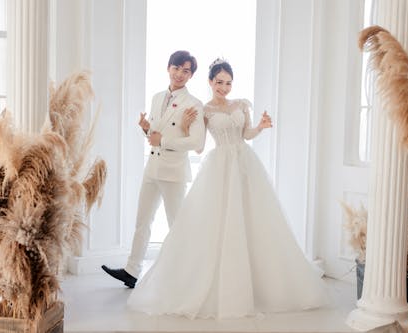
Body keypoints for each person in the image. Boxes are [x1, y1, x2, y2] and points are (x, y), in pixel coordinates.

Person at [127, 58, 327, 318]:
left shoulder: (241, 104)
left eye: (228, 83)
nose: (224, 87)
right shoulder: (204, 110)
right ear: (210, 82)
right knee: (220, 222)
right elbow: (198, 146)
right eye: (219, 82)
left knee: (254, 219)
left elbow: (246, 134)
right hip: (220, 166)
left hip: (244, 163)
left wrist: (261, 127)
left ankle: (261, 281)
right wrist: (186, 126)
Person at [102, 50, 205, 288]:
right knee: (142, 221)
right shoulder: (158, 97)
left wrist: (163, 141)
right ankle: (131, 270)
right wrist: (146, 129)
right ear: (168, 68)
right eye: (176, 68)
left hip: (173, 171)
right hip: (153, 167)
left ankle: (187, 274)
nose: (179, 74)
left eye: (186, 70)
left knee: (177, 225)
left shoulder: (194, 104)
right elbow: (157, 134)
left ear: (191, 76)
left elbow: (197, 143)